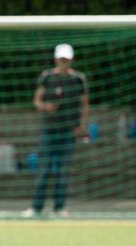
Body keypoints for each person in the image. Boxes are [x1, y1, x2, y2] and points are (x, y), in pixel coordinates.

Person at [23, 43, 89, 218]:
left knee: (63, 171)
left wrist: (83, 126)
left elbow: (84, 104)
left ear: (71, 60)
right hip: (49, 130)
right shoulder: (47, 77)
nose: (63, 62)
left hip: (68, 131)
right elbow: (36, 100)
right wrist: (45, 107)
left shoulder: (78, 79)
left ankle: (59, 208)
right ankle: (36, 208)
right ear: (55, 60)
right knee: (44, 170)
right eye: (61, 59)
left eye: (66, 59)